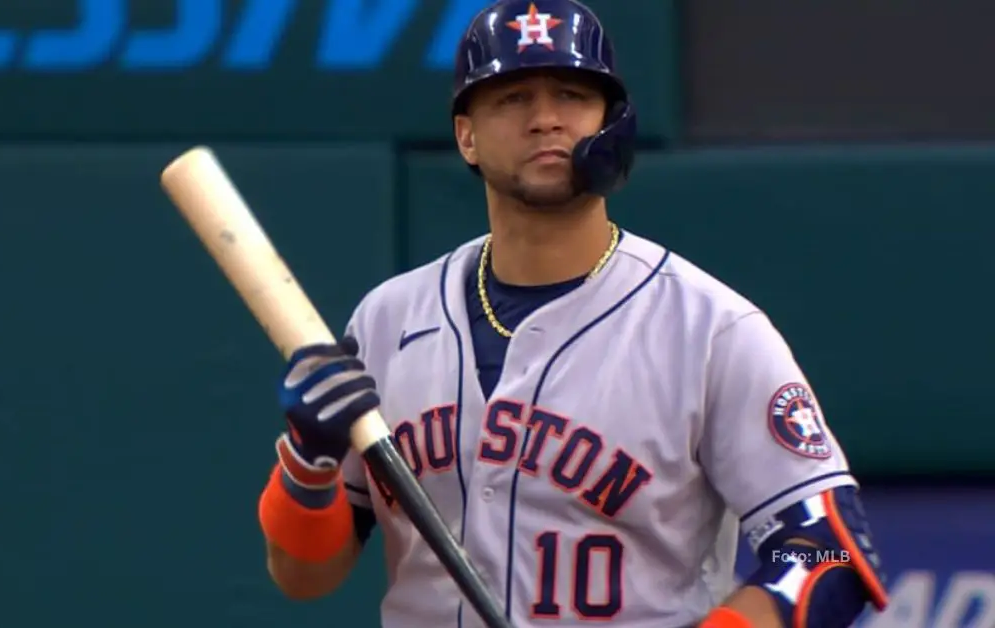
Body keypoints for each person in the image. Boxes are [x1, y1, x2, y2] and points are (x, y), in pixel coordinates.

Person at [255, 1, 891, 627]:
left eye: (571, 95)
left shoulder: (711, 330)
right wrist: (309, 466)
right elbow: (304, 577)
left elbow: (833, 551)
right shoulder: (388, 319)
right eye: (512, 98)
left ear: (610, 123)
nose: (546, 119)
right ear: (465, 135)